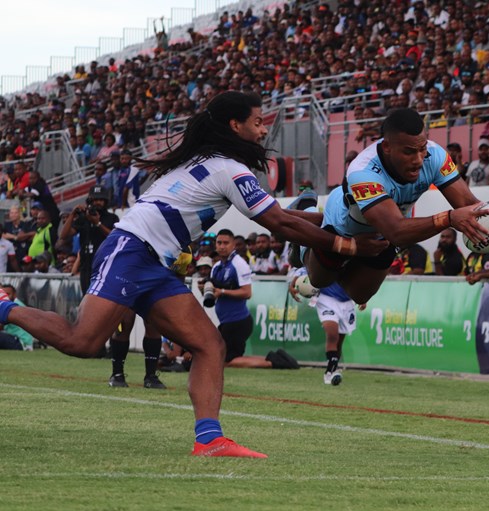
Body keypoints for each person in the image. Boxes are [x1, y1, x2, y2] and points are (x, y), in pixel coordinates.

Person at [0, 91, 387, 459]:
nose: (263, 129)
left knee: (209, 346)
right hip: (131, 251)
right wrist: (348, 245)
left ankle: (210, 439)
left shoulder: (217, 164)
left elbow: (281, 216)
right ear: (235, 125)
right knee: (82, 342)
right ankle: (4, 307)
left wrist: (334, 221)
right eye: (257, 121)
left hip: (153, 260)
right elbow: (280, 223)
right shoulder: (229, 170)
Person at [304, 108, 488, 303]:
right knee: (320, 281)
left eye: (422, 149)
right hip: (345, 228)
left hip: (381, 234)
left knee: (359, 296)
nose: (418, 160)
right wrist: (449, 218)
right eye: (408, 152)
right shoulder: (363, 171)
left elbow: (468, 205)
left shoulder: (435, 155)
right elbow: (396, 231)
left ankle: (317, 234)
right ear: (387, 147)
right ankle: (305, 215)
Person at [203, 229, 281, 370]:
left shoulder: (239, 264)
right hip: (226, 321)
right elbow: (214, 296)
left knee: (227, 360)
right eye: (219, 243)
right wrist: (205, 289)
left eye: (226, 243)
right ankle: (272, 359)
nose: (222, 246)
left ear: (233, 245)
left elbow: (247, 293)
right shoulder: (216, 267)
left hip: (238, 321)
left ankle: (274, 363)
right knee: (224, 357)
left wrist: (222, 292)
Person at [289, 268, 364, 386]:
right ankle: (330, 372)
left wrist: (363, 297)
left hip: (347, 301)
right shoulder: (330, 257)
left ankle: (333, 368)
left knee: (338, 342)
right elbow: (308, 265)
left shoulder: (352, 261)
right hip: (326, 298)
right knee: (332, 335)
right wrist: (293, 282)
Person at [59, 186, 118, 293]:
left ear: (105, 201)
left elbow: (115, 237)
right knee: (86, 296)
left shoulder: (112, 218)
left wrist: (97, 223)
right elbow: (63, 235)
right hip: (86, 267)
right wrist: (72, 214)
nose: (98, 202)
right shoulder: (84, 218)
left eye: (100, 200)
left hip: (104, 266)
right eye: (95, 200)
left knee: (101, 297)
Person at [0, 284, 33, 351]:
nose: (6, 297)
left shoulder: (14, 306)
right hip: (17, 340)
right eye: (4, 295)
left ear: (14, 295)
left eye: (8, 294)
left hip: (20, 342)